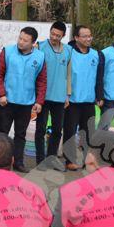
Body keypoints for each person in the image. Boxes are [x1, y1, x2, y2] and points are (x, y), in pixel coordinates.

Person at [0, 26, 47, 174]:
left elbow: (42, 81)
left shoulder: (40, 57)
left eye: (25, 40)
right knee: (3, 133)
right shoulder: (7, 51)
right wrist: (1, 95)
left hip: (26, 103)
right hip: (7, 101)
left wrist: (39, 101)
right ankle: (0, 162)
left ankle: (18, 162)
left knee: (20, 135)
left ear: (33, 43)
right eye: (20, 38)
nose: (21, 42)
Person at [61, 25, 104, 171]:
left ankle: (88, 160)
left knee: (88, 133)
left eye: (90, 35)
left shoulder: (96, 54)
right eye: (84, 36)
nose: (88, 39)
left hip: (89, 100)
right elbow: (63, 76)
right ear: (76, 38)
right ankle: (69, 160)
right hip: (72, 100)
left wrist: (99, 96)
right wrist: (64, 96)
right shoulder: (68, 52)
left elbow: (99, 78)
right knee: (70, 132)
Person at [36, 21, 72, 170]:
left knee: (57, 130)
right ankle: (40, 160)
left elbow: (68, 74)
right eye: (53, 34)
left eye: (58, 35)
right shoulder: (40, 46)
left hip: (59, 96)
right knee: (41, 128)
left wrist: (68, 94)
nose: (54, 37)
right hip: (43, 96)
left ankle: (51, 158)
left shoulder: (68, 50)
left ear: (63, 36)